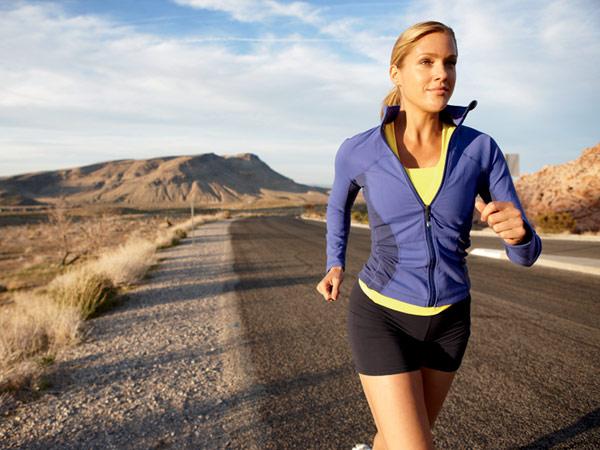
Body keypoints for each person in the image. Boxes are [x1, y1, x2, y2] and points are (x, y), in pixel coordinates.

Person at [315, 20, 542, 450]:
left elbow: (526, 254)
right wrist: (335, 262)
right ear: (396, 73)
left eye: (450, 62)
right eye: (427, 62)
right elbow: (337, 207)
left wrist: (520, 237)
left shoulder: (480, 148)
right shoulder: (359, 150)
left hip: (451, 322)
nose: (442, 74)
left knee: (396, 438)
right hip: (382, 314)